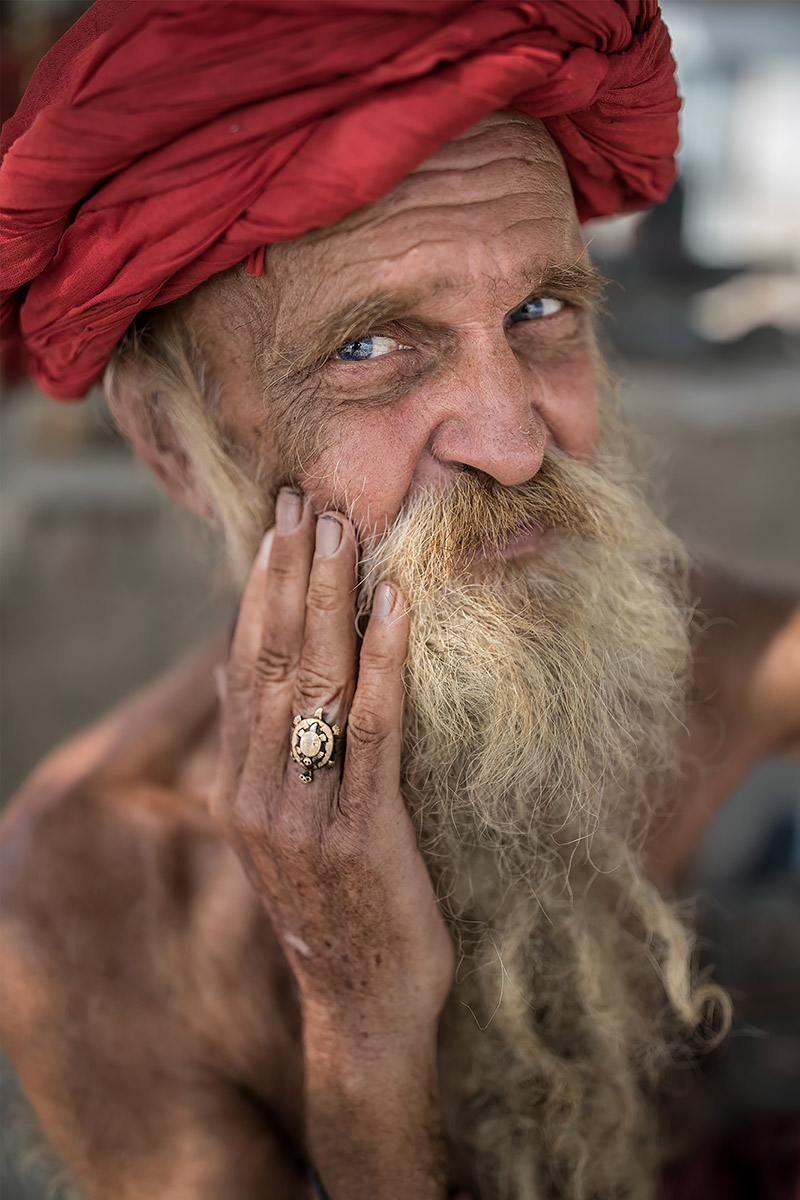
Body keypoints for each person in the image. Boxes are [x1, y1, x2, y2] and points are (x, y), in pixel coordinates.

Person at [1, 3, 798, 1198]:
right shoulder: (97, 901)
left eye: (539, 312)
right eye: (370, 348)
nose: (515, 442)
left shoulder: (655, 647)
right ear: (173, 441)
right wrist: (361, 1025)